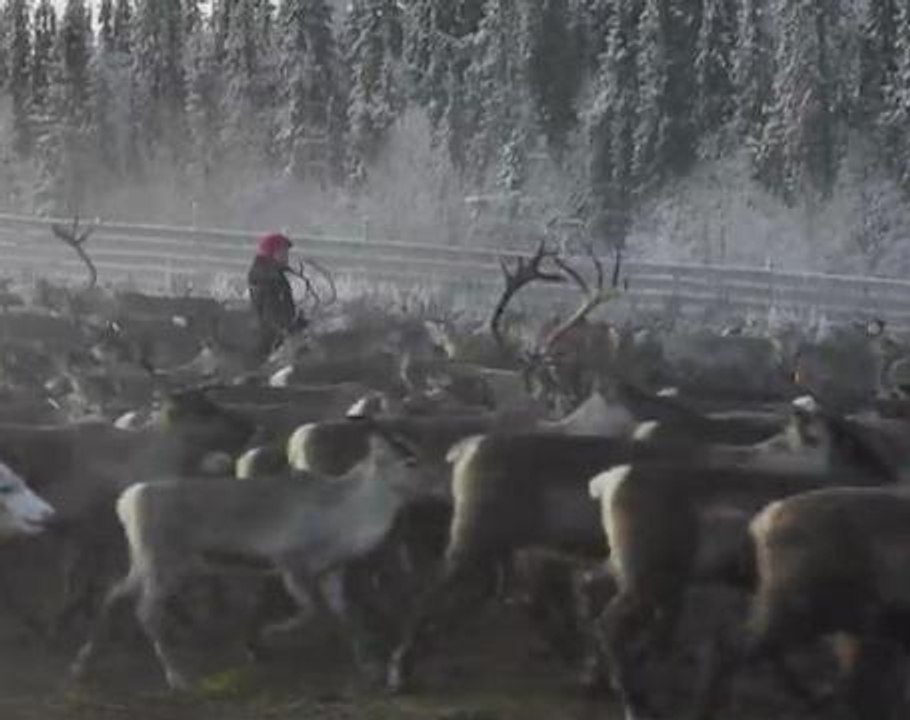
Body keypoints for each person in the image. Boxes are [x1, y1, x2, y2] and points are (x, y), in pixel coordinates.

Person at [248, 232, 306, 361]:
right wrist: (289, 328)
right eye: (283, 252)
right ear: (272, 253)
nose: (286, 257)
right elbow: (271, 311)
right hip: (271, 339)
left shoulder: (273, 274)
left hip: (275, 335)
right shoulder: (268, 277)